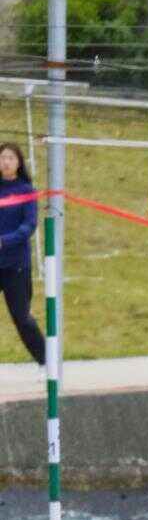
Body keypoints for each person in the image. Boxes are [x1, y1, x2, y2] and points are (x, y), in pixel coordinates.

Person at [0, 142, 46, 366]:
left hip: (16, 265)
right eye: (2, 158)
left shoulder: (27, 191)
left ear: (18, 162)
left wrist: (4, 242)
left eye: (10, 158)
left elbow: (28, 226)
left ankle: (45, 360)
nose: (6, 162)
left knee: (22, 317)